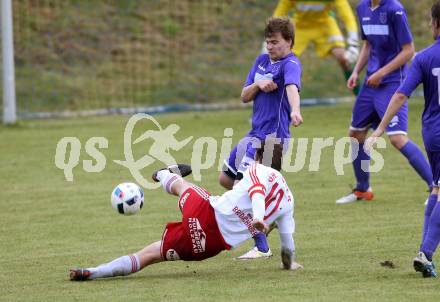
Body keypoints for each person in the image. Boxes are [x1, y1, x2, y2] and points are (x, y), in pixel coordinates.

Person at [70, 146, 303, 281]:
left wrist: (258, 217)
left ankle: (163, 175)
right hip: (207, 245)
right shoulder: (289, 201)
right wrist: (289, 264)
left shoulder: (256, 169)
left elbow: (258, 193)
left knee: (184, 187)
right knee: (149, 255)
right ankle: (92, 273)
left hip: (205, 211)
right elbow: (287, 243)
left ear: (260, 158)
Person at [365, 1, 440, 278]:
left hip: (432, 132)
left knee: (437, 189)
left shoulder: (423, 58)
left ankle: (425, 253)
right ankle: (426, 252)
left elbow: (400, 95)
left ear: (435, 24)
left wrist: (379, 129)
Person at [218, 17, 302, 259]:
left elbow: (292, 88)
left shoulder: (291, 64)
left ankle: (261, 246)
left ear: (289, 42)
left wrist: (295, 110)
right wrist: (259, 83)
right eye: (267, 42)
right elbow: (244, 95)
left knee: (246, 189)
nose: (270, 47)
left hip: (272, 140)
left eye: (275, 42)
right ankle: (270, 216)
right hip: (253, 135)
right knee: (225, 179)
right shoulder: (261, 61)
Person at [335, 0, 433, 204]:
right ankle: (363, 189)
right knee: (355, 134)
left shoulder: (395, 10)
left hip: (391, 82)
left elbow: (408, 51)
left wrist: (382, 72)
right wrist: (356, 71)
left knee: (397, 138)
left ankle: (435, 187)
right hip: (371, 83)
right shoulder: (362, 8)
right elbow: (368, 44)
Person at [270, 0, 360, 95]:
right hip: (299, 26)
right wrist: (271, 38)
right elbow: (278, 14)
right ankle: (274, 96)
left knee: (342, 57)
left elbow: (347, 15)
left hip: (324, 24)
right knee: (281, 61)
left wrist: (353, 43)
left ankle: (359, 94)